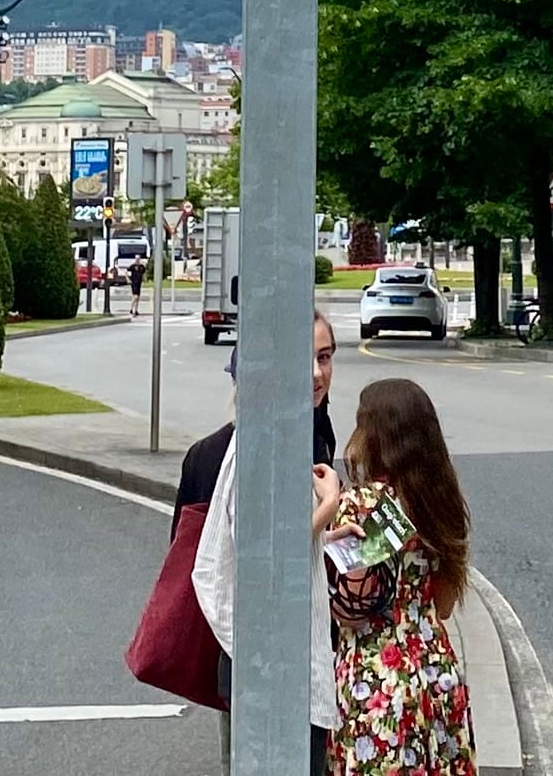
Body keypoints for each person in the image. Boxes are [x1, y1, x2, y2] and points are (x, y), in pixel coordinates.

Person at [193, 310, 341, 767]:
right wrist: (326, 509)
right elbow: (267, 558)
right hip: (268, 662)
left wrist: (329, 533)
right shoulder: (261, 442)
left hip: (282, 655)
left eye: (326, 357)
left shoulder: (305, 429)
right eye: (305, 360)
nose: (317, 373)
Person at [320, 377, 475, 774]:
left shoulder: (357, 506)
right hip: (435, 672)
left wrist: (328, 507)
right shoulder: (441, 504)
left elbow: (350, 611)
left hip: (374, 681)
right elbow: (441, 606)